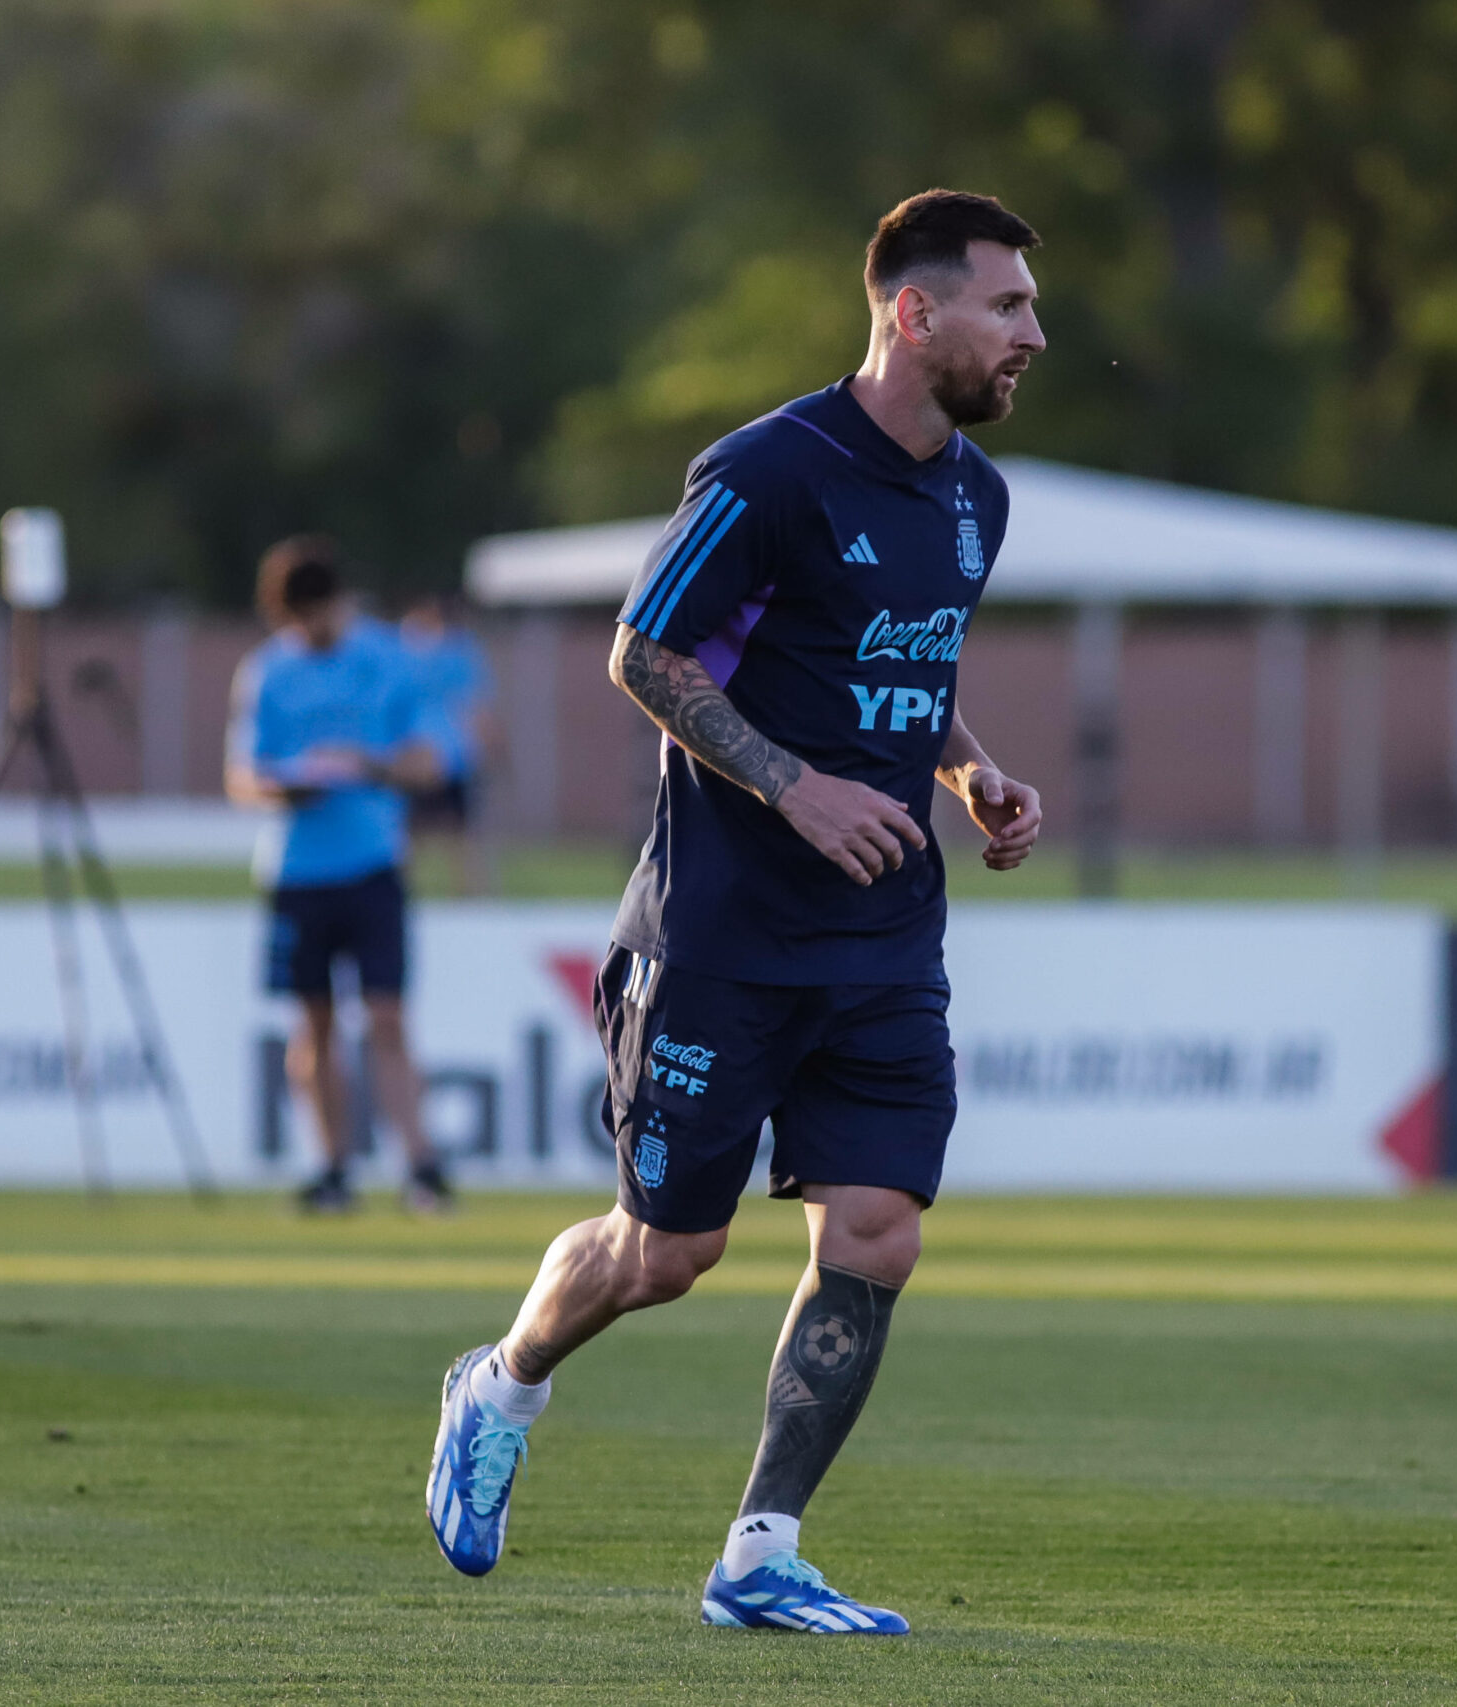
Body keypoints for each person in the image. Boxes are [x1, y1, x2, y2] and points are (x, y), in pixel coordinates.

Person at [426, 190, 1048, 1633]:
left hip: (885, 936)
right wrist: (795, 787)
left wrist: (968, 767)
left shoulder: (976, 497)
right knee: (669, 1251)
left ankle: (759, 1551)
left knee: (878, 1230)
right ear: (915, 310)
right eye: (1008, 306)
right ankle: (503, 1378)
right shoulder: (772, 470)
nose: (1034, 333)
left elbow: (898, 658)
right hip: (719, 933)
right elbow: (644, 652)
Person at [226, 536, 461, 1215]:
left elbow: (431, 762)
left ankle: (421, 1165)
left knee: (387, 1016)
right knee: (314, 1022)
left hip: (372, 864)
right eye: (296, 620)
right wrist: (287, 787)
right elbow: (243, 777)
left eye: (318, 614)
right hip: (296, 871)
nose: (310, 630)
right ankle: (331, 1167)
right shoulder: (266, 671)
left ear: (339, 601)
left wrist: (368, 765)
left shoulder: (388, 659)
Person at [398, 593, 498, 892]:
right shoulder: (460, 650)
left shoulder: (405, 651)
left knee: (442, 836)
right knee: (460, 835)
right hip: (438, 756)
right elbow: (478, 709)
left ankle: (467, 894)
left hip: (428, 756)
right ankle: (472, 896)